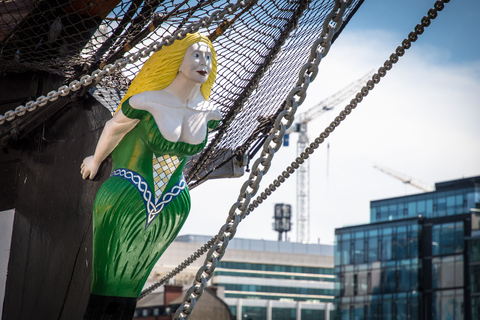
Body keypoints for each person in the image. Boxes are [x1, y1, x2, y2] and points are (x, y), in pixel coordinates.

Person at [80, 32, 221, 319]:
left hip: (174, 204)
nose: (203, 61)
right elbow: (114, 128)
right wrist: (95, 160)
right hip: (126, 195)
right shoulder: (146, 100)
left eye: (208, 56)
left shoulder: (209, 112)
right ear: (176, 59)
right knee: (107, 277)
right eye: (196, 54)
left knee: (133, 278)